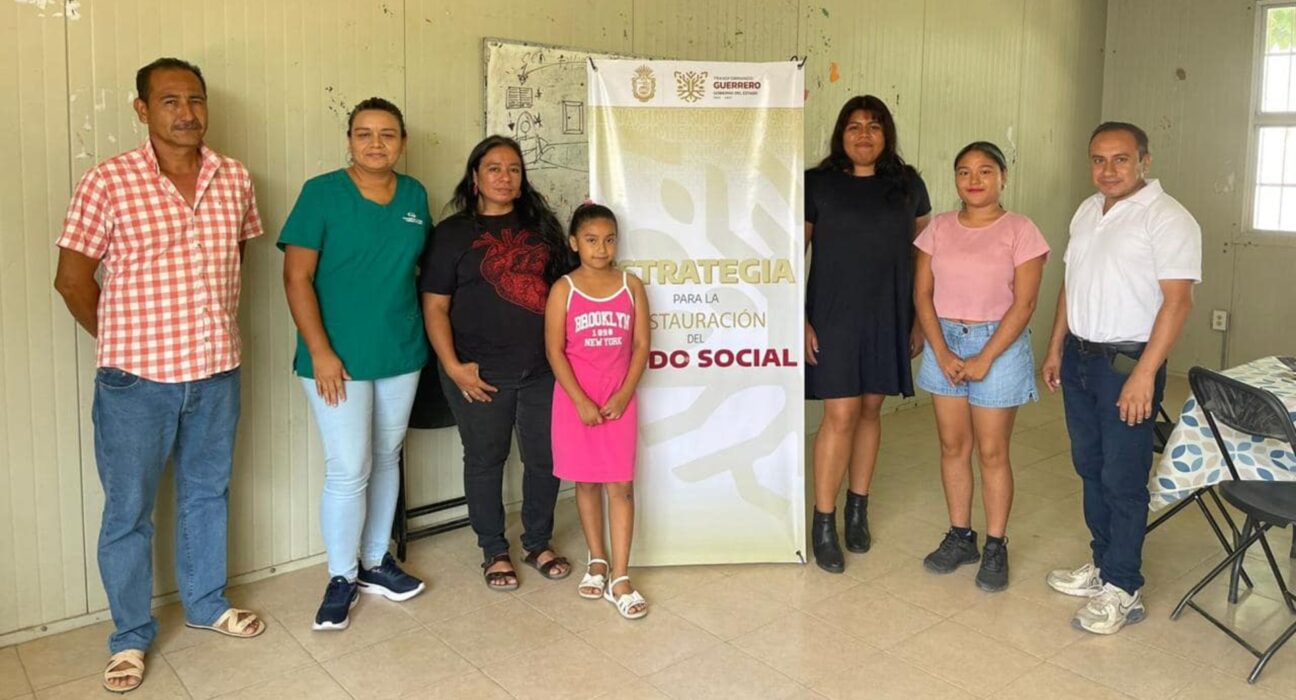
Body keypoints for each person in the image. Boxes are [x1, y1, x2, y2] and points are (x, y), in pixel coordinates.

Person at [53, 57, 265, 693]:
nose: (187, 113)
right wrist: (126, 340)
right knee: (129, 512)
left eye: (195, 99)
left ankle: (204, 605)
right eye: (170, 101)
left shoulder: (234, 178)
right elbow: (71, 280)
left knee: (207, 494)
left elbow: (237, 255)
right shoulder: (108, 182)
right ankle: (129, 636)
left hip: (215, 372)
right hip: (135, 382)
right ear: (142, 109)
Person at [1041, 122, 1200, 634]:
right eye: (1098, 159)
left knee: (1124, 479)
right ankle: (1104, 566)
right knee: (1089, 466)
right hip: (1079, 358)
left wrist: (1144, 377)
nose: (1108, 170)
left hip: (1127, 366)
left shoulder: (1168, 219)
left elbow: (1178, 303)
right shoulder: (1088, 210)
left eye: (1120, 159)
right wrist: (1054, 346)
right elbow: (1071, 284)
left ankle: (1125, 587)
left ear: (1144, 161)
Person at [280, 97, 430, 631]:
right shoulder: (321, 193)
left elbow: (411, 269)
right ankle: (341, 576)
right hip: (335, 359)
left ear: (402, 141)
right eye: (364, 133)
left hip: (400, 351)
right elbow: (296, 278)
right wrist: (320, 350)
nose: (375, 143)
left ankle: (375, 562)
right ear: (349, 139)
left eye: (387, 134)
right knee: (348, 469)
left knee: (387, 455)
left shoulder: (415, 195)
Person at [420, 135, 574, 589]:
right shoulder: (451, 234)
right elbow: (434, 307)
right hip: (477, 373)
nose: (504, 177)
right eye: (494, 168)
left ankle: (537, 542)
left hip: (542, 371)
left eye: (513, 169)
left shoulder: (541, 229)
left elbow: (566, 293)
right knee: (486, 460)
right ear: (475, 178)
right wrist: (452, 366)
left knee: (544, 461)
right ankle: (493, 550)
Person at [912, 141, 1049, 592]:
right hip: (944, 341)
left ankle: (994, 544)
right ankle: (960, 536)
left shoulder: (1021, 230)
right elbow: (923, 296)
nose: (974, 180)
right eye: (965, 171)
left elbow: (1025, 303)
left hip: (1000, 345)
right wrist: (943, 351)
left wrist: (984, 358)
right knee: (953, 446)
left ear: (1003, 177)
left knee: (992, 451)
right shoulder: (938, 230)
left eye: (985, 171)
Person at [805, 95, 932, 573]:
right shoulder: (817, 184)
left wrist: (920, 319)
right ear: (841, 133)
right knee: (840, 414)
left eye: (874, 126)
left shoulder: (907, 185)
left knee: (872, 409)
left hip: (888, 314)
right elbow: (793, 257)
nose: (864, 134)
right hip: (833, 315)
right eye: (854, 126)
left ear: (887, 134)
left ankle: (858, 509)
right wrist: (799, 318)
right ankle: (824, 519)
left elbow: (925, 258)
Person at [545, 203, 651, 620]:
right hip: (576, 403)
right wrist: (581, 401)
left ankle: (621, 577)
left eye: (609, 239)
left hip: (618, 400)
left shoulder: (631, 286)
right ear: (574, 243)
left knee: (620, 487)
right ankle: (597, 559)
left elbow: (641, 346)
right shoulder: (564, 289)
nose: (601, 248)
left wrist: (625, 393)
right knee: (586, 484)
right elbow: (554, 350)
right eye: (591, 240)